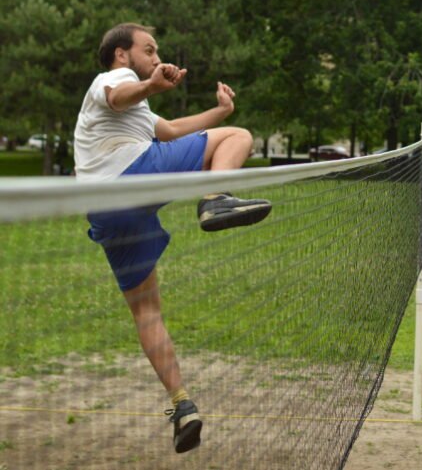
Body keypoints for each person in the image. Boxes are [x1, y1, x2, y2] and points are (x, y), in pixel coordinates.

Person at [73, 23, 272, 454]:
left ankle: (182, 405)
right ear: (122, 54)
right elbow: (119, 95)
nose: (156, 55)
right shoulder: (113, 79)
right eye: (149, 49)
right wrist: (150, 84)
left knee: (147, 313)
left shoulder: (135, 110)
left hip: (106, 211)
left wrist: (219, 111)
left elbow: (173, 130)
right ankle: (215, 199)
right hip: (130, 178)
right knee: (238, 139)